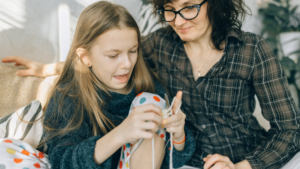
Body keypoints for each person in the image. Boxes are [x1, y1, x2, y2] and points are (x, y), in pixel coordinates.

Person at [2, 0, 300, 168]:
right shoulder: (159, 45)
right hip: (185, 161)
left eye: (190, 7)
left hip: (245, 157)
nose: (178, 20)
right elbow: (100, 57)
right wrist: (47, 68)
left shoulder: (250, 49)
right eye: (169, 8)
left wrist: (243, 167)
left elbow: (290, 129)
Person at [10, 1, 195, 169]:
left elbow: (170, 160)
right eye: (113, 55)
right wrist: (120, 134)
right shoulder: (69, 96)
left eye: (133, 51)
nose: (127, 64)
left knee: (150, 101)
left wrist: (178, 136)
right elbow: (61, 160)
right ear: (85, 57)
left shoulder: (147, 85)